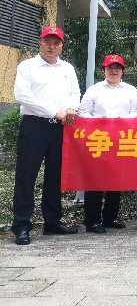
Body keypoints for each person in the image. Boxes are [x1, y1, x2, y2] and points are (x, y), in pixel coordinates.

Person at [11, 26, 80, 245]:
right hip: (35, 125)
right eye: (48, 42)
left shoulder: (67, 68)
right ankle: (22, 225)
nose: (52, 47)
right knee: (26, 176)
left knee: (55, 176)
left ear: (62, 46)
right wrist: (54, 112)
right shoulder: (27, 66)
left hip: (61, 128)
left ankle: (52, 222)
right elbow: (23, 95)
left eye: (56, 43)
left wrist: (72, 108)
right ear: (40, 43)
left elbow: (75, 92)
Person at [80, 54, 137, 233]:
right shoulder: (94, 90)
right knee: (95, 180)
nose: (114, 71)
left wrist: (122, 120)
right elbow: (83, 112)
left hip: (121, 140)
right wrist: (98, 120)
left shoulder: (130, 90)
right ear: (103, 70)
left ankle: (110, 218)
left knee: (116, 179)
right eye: (110, 68)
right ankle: (92, 221)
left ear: (122, 71)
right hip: (98, 139)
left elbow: (135, 113)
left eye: (117, 68)